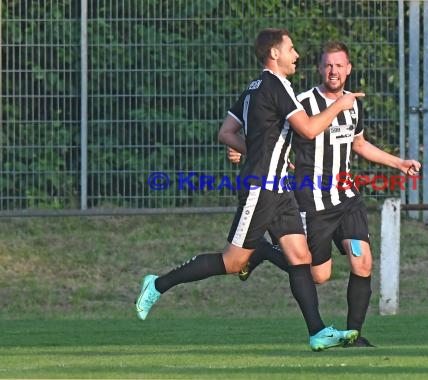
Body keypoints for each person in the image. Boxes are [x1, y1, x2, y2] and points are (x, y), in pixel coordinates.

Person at [135, 29, 365, 351]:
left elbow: (226, 132)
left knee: (301, 258)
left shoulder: (253, 88)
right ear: (275, 54)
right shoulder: (276, 85)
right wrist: (340, 105)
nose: (296, 55)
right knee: (231, 262)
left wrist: (253, 150)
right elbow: (310, 129)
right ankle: (158, 284)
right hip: (261, 189)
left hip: (280, 189)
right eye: (291, 48)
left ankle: (317, 331)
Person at [228, 41, 421, 347]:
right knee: (318, 276)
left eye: (339, 65)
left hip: (346, 197)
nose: (334, 71)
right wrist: (245, 152)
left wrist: (399, 163)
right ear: (319, 68)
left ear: (349, 69)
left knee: (363, 262)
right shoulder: (302, 102)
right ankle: (263, 251)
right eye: (328, 65)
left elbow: (359, 144)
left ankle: (354, 335)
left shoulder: (353, 103)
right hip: (311, 201)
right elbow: (267, 135)